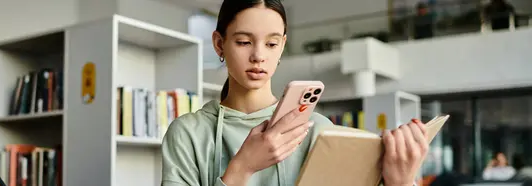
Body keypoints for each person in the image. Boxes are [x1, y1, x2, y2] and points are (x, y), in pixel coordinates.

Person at [161, 0, 430, 185]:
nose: (258, 56)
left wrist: (402, 181)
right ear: (219, 44)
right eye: (244, 42)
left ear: (282, 46)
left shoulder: (320, 131)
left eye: (271, 43)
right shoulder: (188, 133)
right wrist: (242, 167)